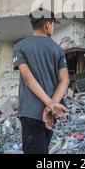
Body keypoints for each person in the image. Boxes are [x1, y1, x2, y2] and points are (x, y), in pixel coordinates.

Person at [12, 9, 70, 154]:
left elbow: (27, 78)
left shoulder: (20, 47)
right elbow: (65, 80)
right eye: (53, 25)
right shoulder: (58, 50)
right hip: (52, 113)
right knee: (43, 148)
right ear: (47, 25)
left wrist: (50, 105)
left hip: (30, 111)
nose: (53, 28)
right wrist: (52, 105)